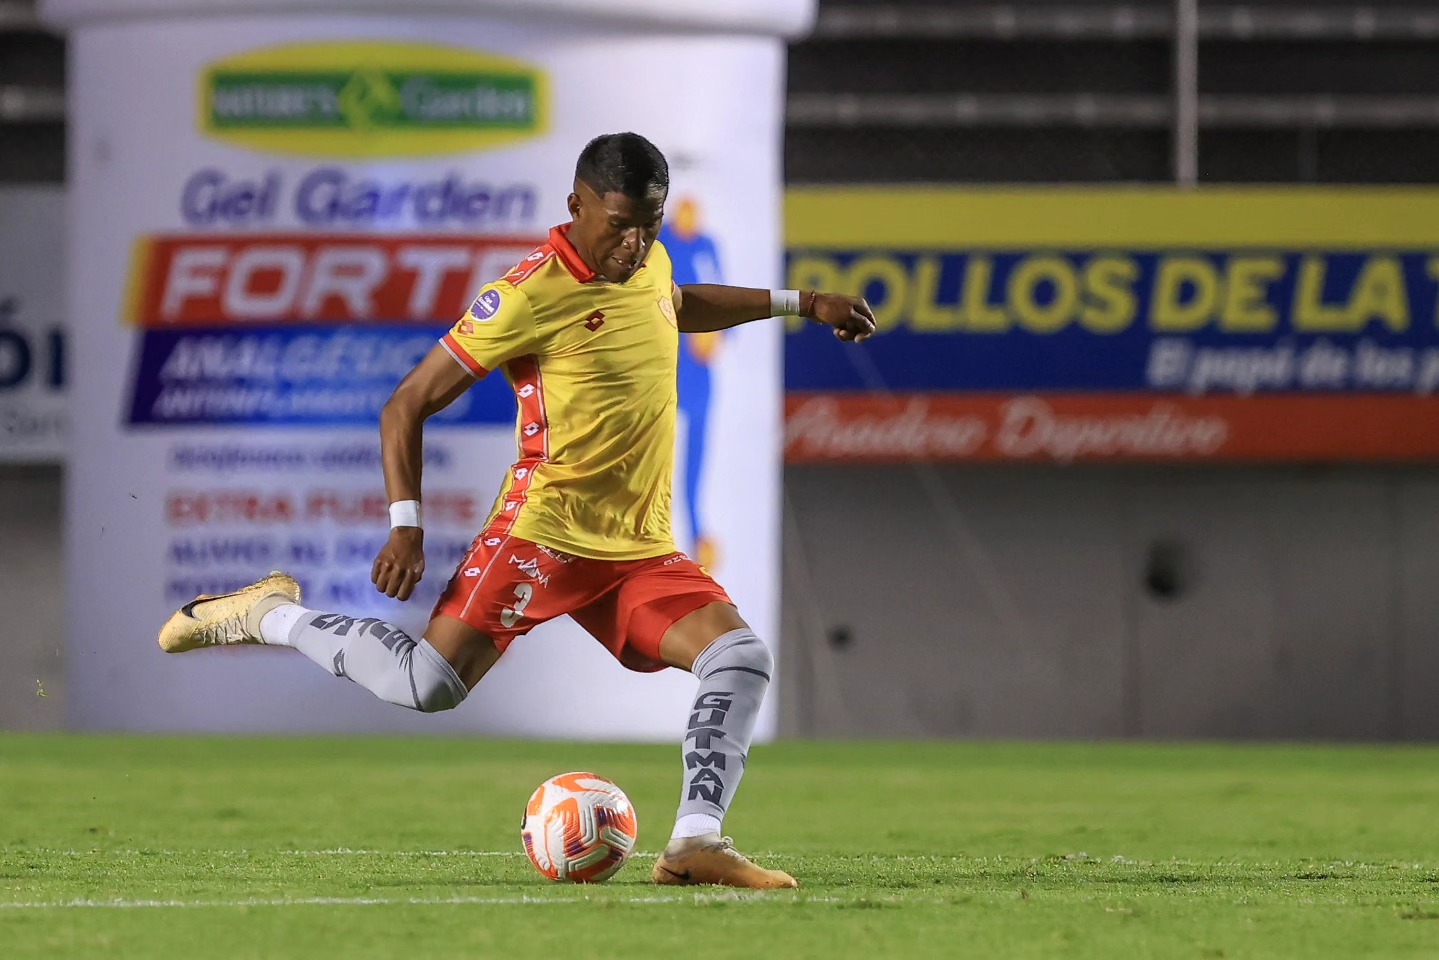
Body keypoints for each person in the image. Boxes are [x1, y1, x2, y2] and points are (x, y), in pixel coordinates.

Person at [157, 132, 876, 890]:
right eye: (618, 224)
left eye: (649, 226)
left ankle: (695, 842)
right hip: (544, 534)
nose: (634, 244)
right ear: (575, 205)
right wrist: (407, 522)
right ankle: (267, 613)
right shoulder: (527, 294)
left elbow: (674, 302)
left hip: (636, 546)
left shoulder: (648, 260)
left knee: (739, 659)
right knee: (426, 684)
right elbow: (407, 403)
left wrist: (802, 302)